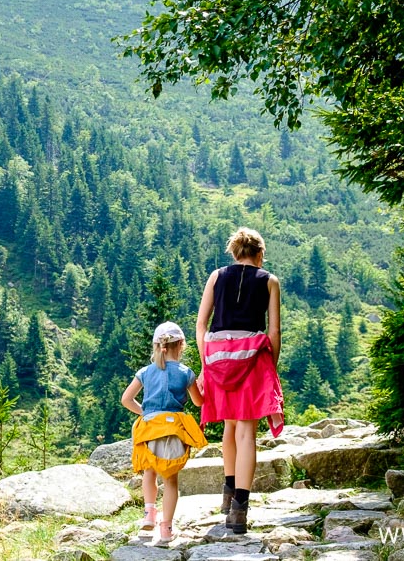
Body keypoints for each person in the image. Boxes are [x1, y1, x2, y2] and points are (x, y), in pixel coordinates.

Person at [196, 227, 283, 535]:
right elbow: (274, 333)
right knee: (247, 431)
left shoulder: (216, 276)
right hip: (254, 360)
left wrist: (206, 364)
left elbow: (201, 324)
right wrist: (269, 368)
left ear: (234, 253)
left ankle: (228, 492)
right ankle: (239, 512)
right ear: (259, 255)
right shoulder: (270, 281)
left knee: (230, 426)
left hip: (219, 359)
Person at [121, 320, 206, 547]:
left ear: (157, 346)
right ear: (181, 346)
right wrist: (202, 386)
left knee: (149, 472)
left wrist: (145, 413)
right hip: (174, 428)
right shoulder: (186, 373)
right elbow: (199, 402)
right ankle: (166, 529)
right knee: (170, 480)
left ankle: (149, 513)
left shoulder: (145, 372)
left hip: (150, 427)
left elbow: (126, 399)